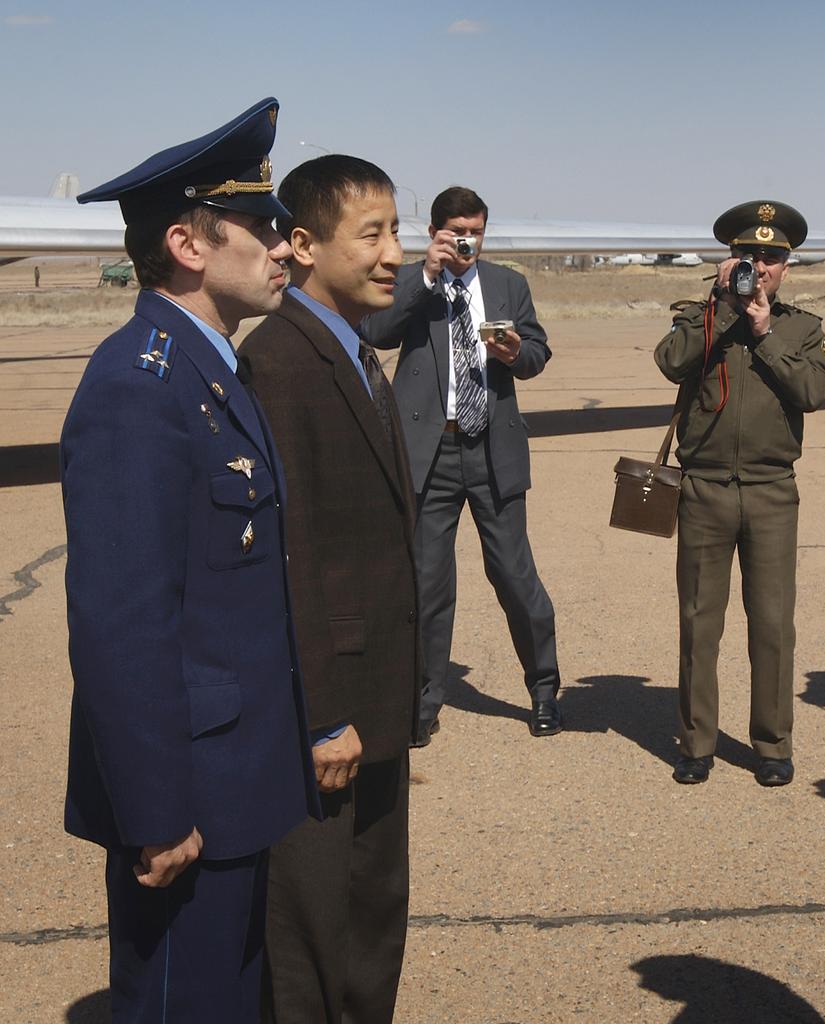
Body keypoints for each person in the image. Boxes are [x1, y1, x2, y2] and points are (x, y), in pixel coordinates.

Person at [62, 98, 318, 1022]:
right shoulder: (139, 388)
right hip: (186, 805)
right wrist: (156, 810)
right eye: (262, 227)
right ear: (189, 243)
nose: (285, 248)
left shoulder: (210, 371)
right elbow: (120, 624)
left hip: (233, 784)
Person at [238, 156, 418, 1022]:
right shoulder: (281, 360)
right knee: (311, 933)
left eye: (396, 229)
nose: (395, 252)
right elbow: (288, 552)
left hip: (370, 698)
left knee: (371, 920)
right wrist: (319, 713)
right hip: (329, 711)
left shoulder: (351, 350)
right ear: (303, 245)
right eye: (373, 233)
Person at [362, 186, 561, 743]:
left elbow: (538, 354)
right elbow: (374, 332)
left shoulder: (507, 285)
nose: (466, 241)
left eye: (475, 231)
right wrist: (424, 277)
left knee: (515, 576)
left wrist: (514, 353)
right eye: (456, 232)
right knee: (427, 585)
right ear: (435, 233)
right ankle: (422, 702)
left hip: (491, 450)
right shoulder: (408, 281)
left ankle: (544, 689)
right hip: (430, 453)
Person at [654, 201, 825, 787]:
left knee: (773, 625)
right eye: (750, 255)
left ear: (786, 266)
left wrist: (764, 331)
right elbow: (670, 363)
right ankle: (697, 742)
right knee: (699, 623)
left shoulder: (802, 328)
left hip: (771, 492)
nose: (761, 265)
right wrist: (721, 311)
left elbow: (813, 391)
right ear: (728, 260)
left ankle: (773, 744)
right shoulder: (700, 315)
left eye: (773, 257)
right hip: (704, 490)